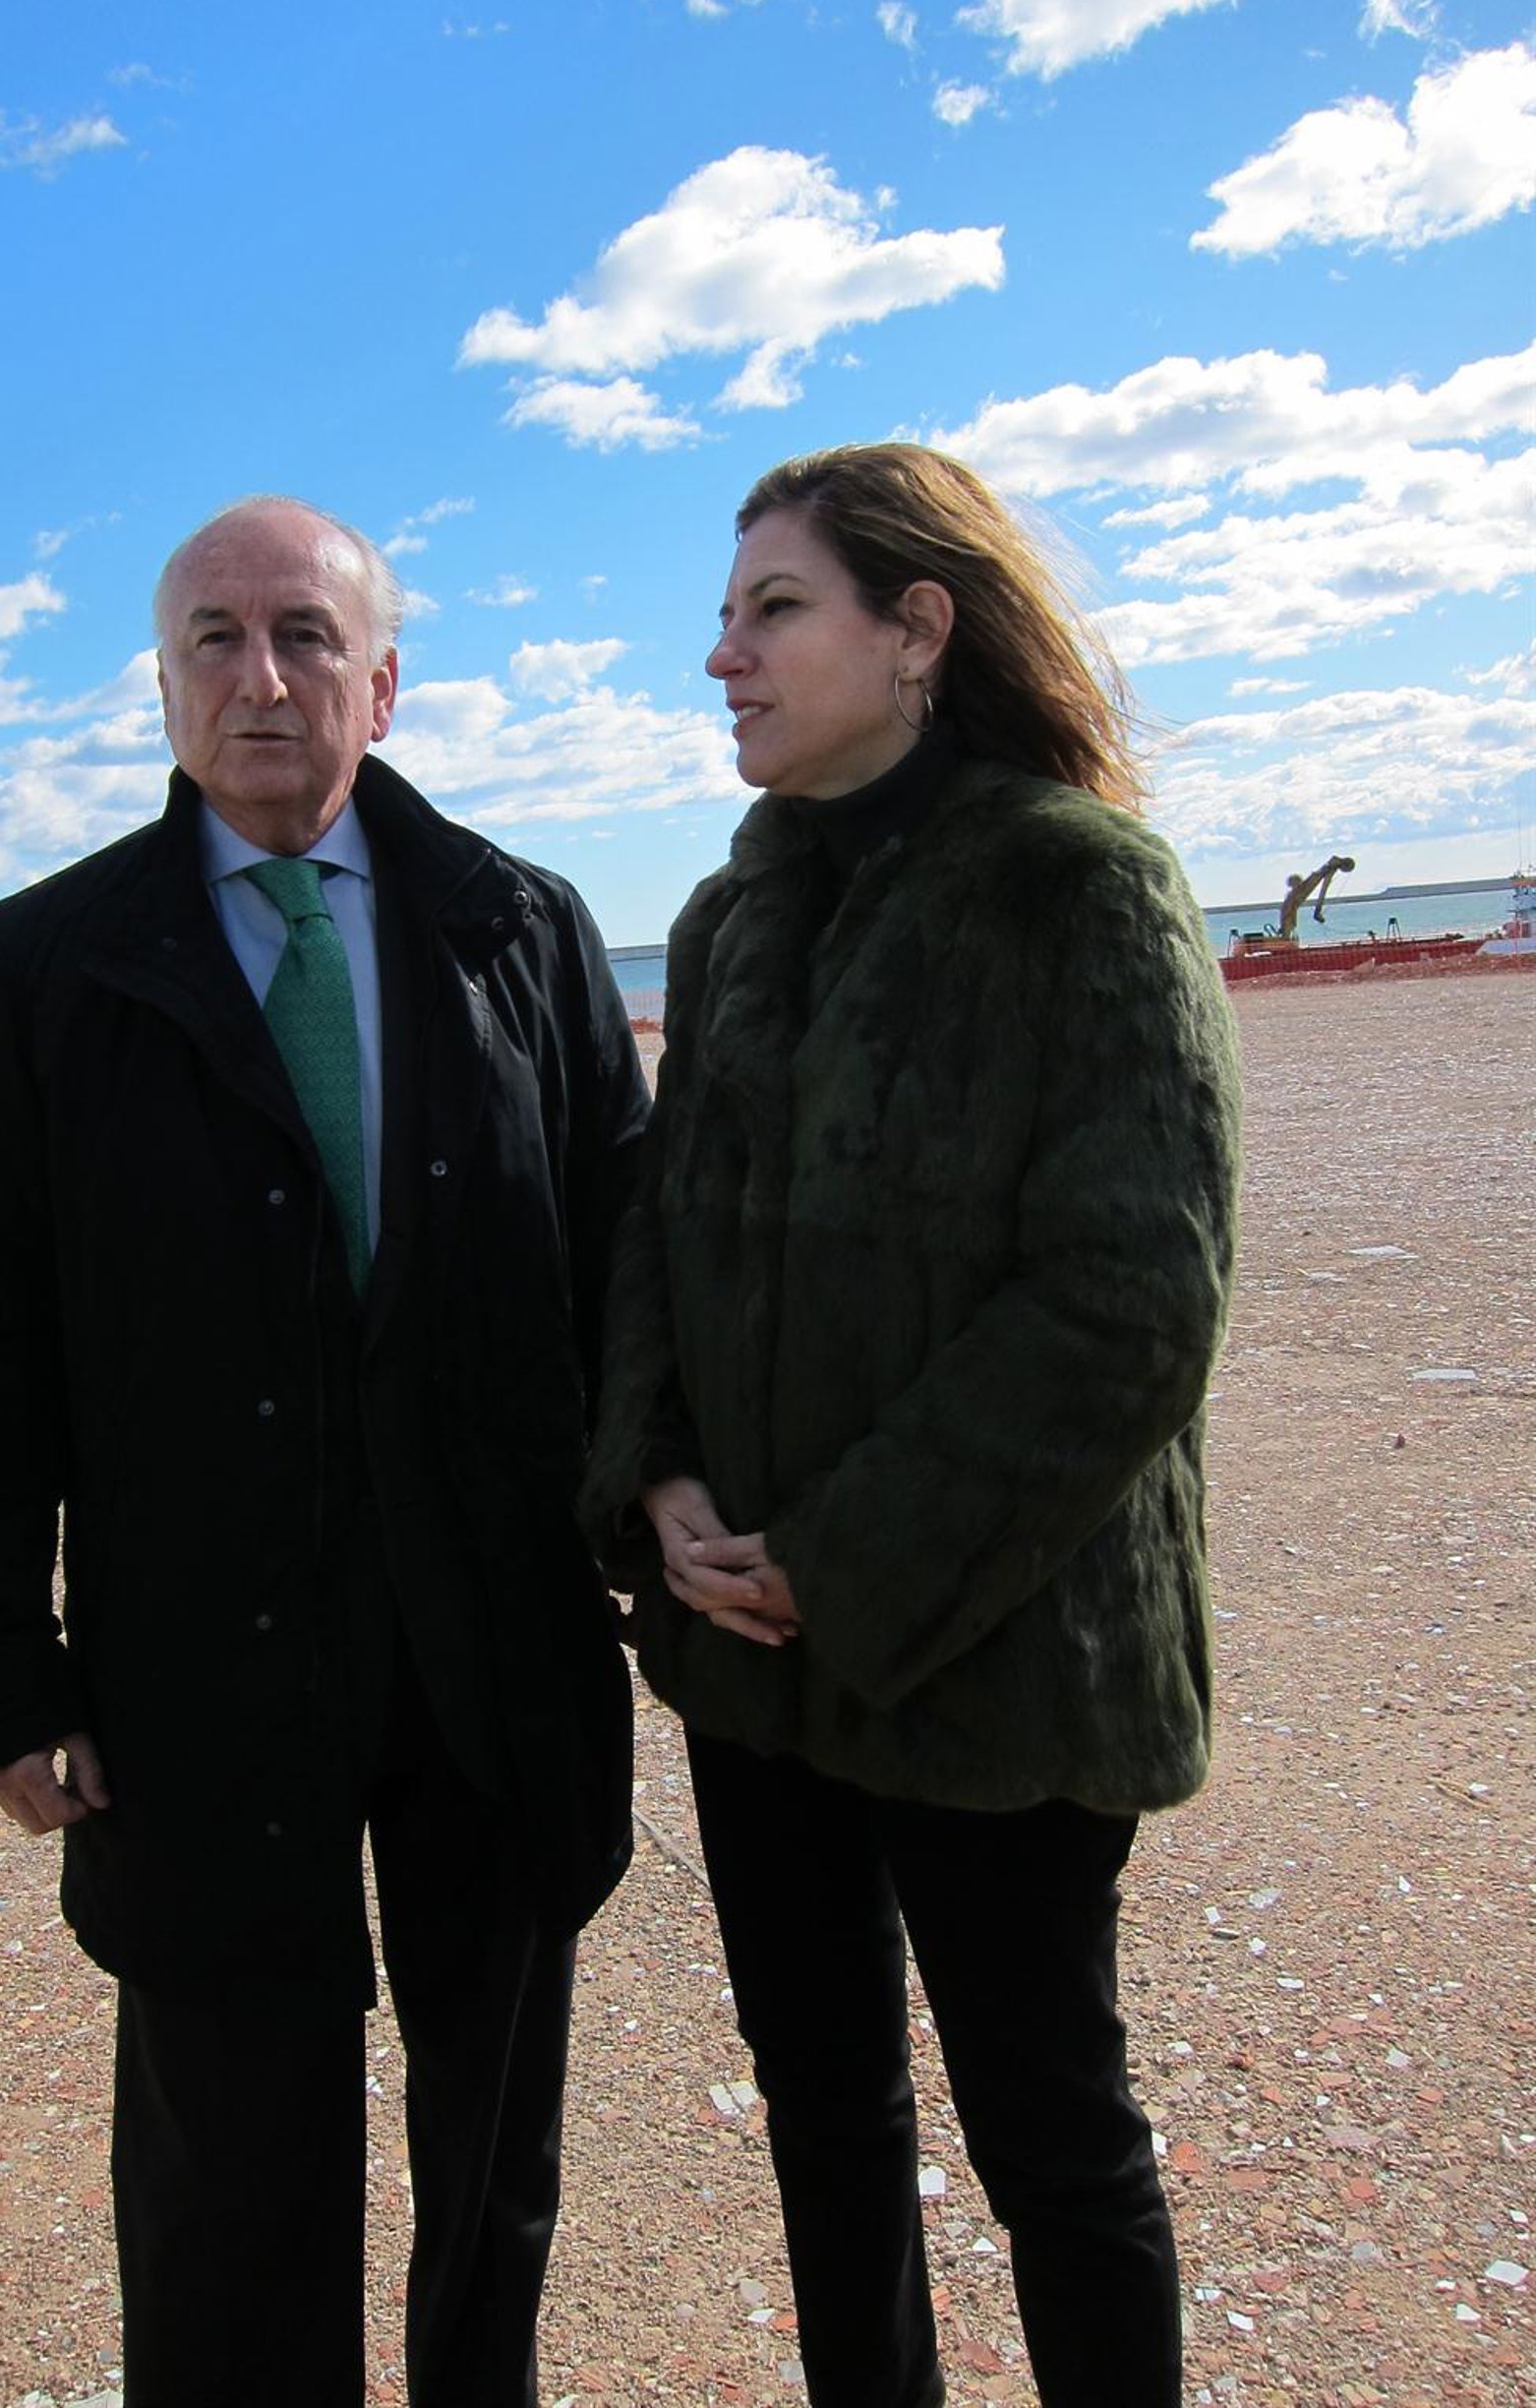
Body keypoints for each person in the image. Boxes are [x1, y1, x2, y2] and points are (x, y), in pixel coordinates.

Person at [0, 495, 651, 2407]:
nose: (261, 677)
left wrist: (668, 1528)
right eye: (213, 640)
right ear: (160, 688)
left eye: (307, 635)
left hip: (491, 1637)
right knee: (228, 2170)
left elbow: (631, 1276)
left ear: (381, 686)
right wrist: (0, 1673)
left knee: (495, 2155)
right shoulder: (39, 968)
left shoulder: (522, 927)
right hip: (199, 1655)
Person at [582, 444, 1242, 2408]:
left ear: (918, 628)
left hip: (1005, 1650)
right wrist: (659, 1475)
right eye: (723, 616)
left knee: (1054, 2140)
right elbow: (661, 1228)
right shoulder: (730, 919)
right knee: (825, 2109)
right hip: (753, 1657)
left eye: (773, 609)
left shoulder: (1078, 884)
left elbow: (1134, 1296)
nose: (723, 656)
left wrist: (844, 1555)